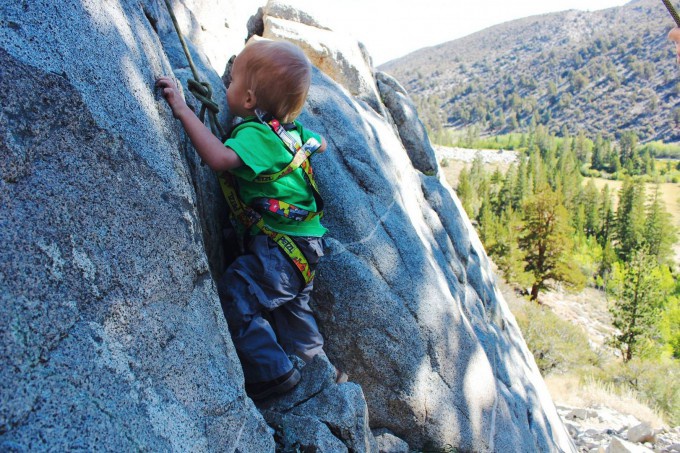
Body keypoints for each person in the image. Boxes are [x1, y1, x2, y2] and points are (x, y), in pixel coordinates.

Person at [156, 40, 344, 400]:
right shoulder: (290, 131)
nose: (226, 86)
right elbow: (319, 144)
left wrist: (182, 109)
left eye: (233, 82)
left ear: (247, 101)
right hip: (305, 247)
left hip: (278, 250)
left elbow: (219, 158)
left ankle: (274, 374)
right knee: (292, 313)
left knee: (238, 294)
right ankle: (322, 369)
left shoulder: (256, 135)